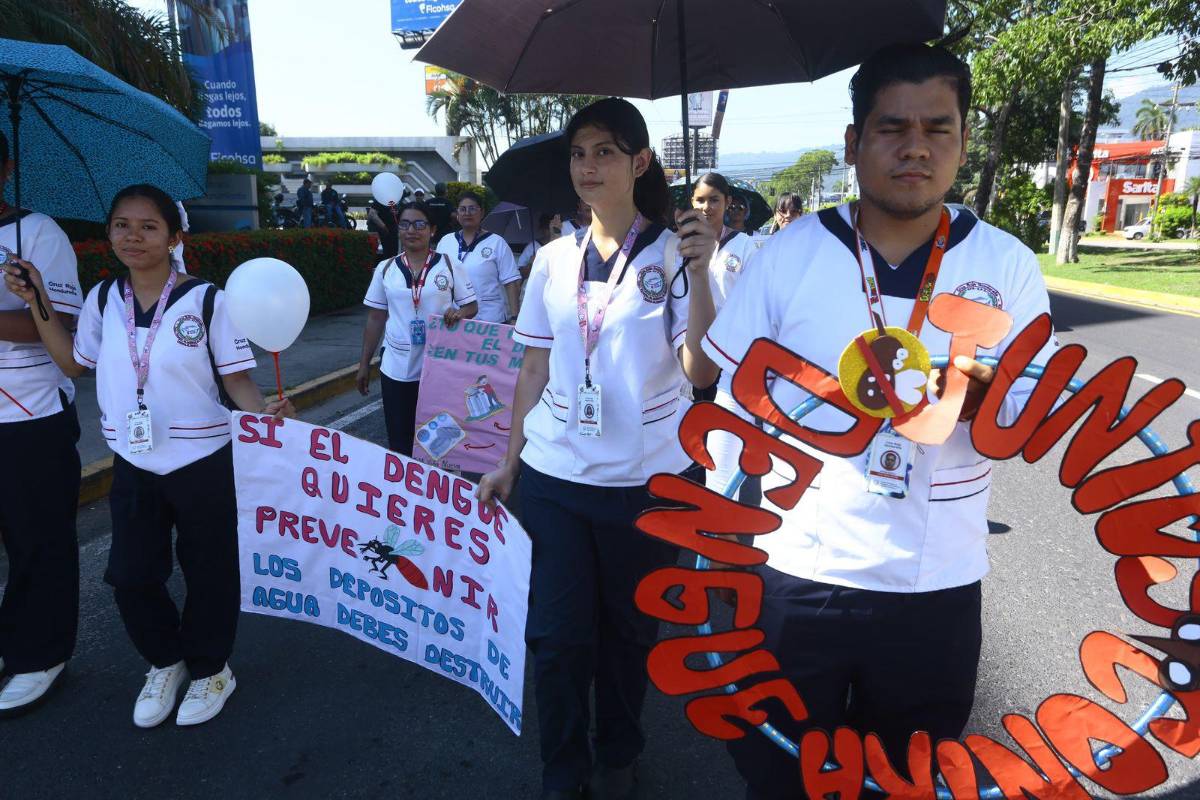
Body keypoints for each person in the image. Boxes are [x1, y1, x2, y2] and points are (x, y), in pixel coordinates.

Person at [696, 44, 1055, 799]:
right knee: (780, 774)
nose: (916, 147)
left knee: (909, 782)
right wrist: (722, 544)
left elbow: (1024, 424)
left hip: (937, 582)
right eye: (892, 128)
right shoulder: (791, 253)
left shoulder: (1008, 265)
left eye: (938, 127)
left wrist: (989, 401)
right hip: (798, 569)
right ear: (854, 143)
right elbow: (732, 407)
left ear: (963, 140)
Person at [476, 97, 719, 800]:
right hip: (555, 476)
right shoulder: (553, 259)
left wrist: (702, 276)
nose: (589, 166)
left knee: (626, 637)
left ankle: (618, 750)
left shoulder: (677, 253)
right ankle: (563, 771)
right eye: (580, 153)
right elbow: (532, 369)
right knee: (555, 640)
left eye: (606, 151)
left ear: (640, 162)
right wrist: (509, 459)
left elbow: (701, 372)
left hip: (647, 485)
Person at [3, 184, 295, 729]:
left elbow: (236, 378)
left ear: (174, 236)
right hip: (135, 459)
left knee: (209, 570)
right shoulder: (101, 299)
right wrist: (36, 296)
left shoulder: (208, 300)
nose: (132, 237)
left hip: (203, 457)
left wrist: (265, 413)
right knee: (131, 574)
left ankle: (211, 669)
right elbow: (73, 363)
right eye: (121, 225)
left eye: (148, 227)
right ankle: (167, 660)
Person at [0, 130, 82, 716]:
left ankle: (39, 655)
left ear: (5, 168)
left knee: (36, 541)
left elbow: (65, 331)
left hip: (28, 413)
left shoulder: (37, 233)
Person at [357, 201, 478, 455]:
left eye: (419, 224)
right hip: (396, 367)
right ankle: (404, 490)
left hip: (437, 367)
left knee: (438, 442)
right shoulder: (386, 268)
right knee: (400, 442)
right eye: (405, 224)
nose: (412, 230)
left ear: (432, 230)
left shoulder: (449, 265)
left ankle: (436, 490)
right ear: (399, 229)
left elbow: (471, 306)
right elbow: (376, 318)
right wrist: (364, 364)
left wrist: (458, 313)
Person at [689, 172, 763, 507]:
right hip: (691, 350)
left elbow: (753, 303)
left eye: (714, 199)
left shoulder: (746, 248)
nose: (707, 207)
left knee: (724, 435)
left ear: (727, 202)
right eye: (700, 200)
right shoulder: (680, 246)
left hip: (731, 357)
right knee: (692, 425)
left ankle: (724, 505)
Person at [435, 192, 521, 324]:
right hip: (453, 319)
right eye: (462, 209)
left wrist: (515, 318)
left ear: (482, 212)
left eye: (472, 208)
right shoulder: (446, 241)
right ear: (457, 214)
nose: (467, 213)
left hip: (490, 320)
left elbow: (511, 283)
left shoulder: (497, 243)